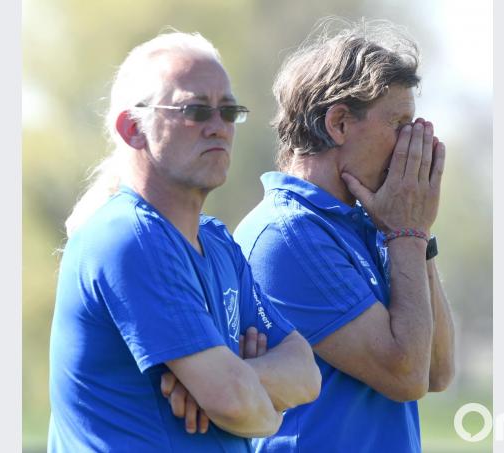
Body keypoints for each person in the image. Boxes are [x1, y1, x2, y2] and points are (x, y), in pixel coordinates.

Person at [48, 31, 321, 453]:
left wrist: (234, 380)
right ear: (132, 128)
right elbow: (232, 401)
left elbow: (306, 373)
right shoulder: (129, 237)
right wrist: (265, 410)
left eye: (229, 111)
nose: (218, 127)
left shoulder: (217, 242)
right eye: (195, 110)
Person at [233, 19, 455, 453]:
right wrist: (407, 231)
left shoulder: (371, 224)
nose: (412, 141)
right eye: (399, 123)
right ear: (338, 124)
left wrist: (417, 233)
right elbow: (405, 375)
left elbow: (437, 371)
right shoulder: (289, 235)